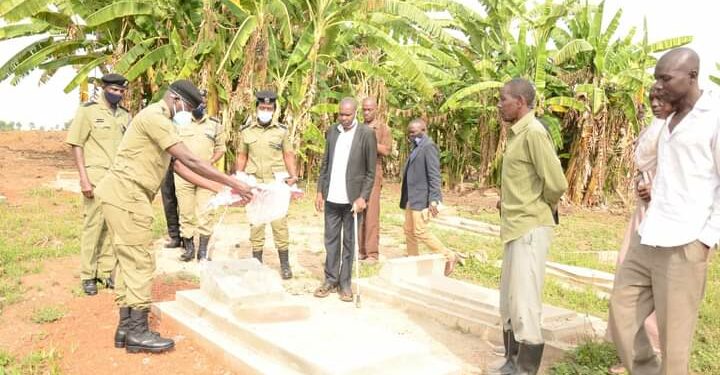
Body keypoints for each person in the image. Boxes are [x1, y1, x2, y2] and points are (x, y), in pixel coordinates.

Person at [94, 80, 253, 354]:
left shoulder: (161, 120)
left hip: (122, 193)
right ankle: (137, 332)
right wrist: (235, 182)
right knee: (140, 262)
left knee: (126, 260)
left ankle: (125, 327)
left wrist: (222, 190)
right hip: (128, 193)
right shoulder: (156, 117)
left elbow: (178, 166)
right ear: (176, 99)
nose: (189, 112)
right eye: (188, 107)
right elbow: (191, 160)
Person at [609, 48, 719, 375]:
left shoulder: (714, 116)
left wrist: (706, 238)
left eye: (666, 78)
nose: (659, 86)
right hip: (650, 234)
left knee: (675, 344)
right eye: (657, 78)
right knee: (622, 313)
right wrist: (660, 119)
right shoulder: (668, 117)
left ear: (693, 77)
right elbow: (650, 163)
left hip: (685, 243)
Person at [490, 78, 567, 375]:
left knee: (524, 302)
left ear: (520, 102)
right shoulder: (517, 134)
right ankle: (511, 361)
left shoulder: (534, 133)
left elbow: (556, 184)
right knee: (509, 302)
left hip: (530, 228)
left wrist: (539, 205)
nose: (500, 104)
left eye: (503, 99)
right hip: (514, 226)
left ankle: (525, 369)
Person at [607, 89, 673, 374]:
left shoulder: (678, 129)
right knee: (626, 277)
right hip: (644, 212)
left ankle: (655, 352)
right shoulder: (655, 126)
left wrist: (655, 187)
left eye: (662, 100)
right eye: (652, 101)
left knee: (661, 287)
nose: (656, 104)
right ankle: (636, 352)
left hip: (668, 219)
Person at [65, 73, 131, 296]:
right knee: (92, 227)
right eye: (114, 90)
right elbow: (76, 144)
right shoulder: (88, 111)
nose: (118, 95)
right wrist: (83, 178)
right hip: (95, 177)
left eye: (121, 92)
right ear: (104, 88)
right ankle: (88, 275)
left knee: (112, 227)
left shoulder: (124, 115)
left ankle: (105, 272)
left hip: (117, 178)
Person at [314, 97, 377, 302]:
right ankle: (330, 280)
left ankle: (345, 284)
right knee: (331, 241)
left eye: (348, 115)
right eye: (341, 114)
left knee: (349, 243)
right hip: (332, 197)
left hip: (352, 201)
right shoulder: (333, 131)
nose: (344, 118)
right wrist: (319, 192)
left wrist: (363, 197)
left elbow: (370, 171)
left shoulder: (366, 134)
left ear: (355, 113)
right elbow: (325, 163)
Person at [235, 90, 299, 279]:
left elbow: (288, 154)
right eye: (262, 107)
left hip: (276, 182)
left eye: (269, 108)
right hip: (255, 183)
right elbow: (242, 155)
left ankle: (285, 265)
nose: (265, 110)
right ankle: (257, 263)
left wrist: (293, 175)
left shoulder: (281, 131)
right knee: (256, 223)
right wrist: (239, 177)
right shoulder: (246, 131)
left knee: (279, 223)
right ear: (257, 108)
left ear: (273, 110)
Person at [399, 118, 458, 275]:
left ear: (423, 130)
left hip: (421, 197)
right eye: (409, 133)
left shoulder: (428, 147)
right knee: (409, 230)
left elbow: (434, 175)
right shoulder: (416, 146)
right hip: (411, 196)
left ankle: (449, 256)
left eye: (413, 132)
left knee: (420, 230)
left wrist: (434, 199)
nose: (410, 135)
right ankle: (412, 259)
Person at [174, 93, 226, 262]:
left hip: (206, 175)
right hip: (183, 174)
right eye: (196, 102)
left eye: (202, 102)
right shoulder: (179, 122)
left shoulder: (215, 125)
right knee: (186, 212)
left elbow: (220, 148)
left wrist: (210, 162)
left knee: (206, 211)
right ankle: (189, 247)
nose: (199, 105)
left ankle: (202, 250)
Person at [358, 97, 392, 263]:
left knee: (371, 214)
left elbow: (386, 150)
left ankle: (372, 253)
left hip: (374, 171)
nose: (366, 112)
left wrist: (370, 141)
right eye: (364, 109)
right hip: (358, 173)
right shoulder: (357, 127)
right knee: (358, 211)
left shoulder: (383, 128)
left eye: (369, 109)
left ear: (376, 110)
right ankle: (361, 251)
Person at [160, 162, 182, 249]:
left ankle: (186, 236)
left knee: (183, 200)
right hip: (166, 165)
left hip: (182, 163)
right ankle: (174, 236)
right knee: (168, 201)